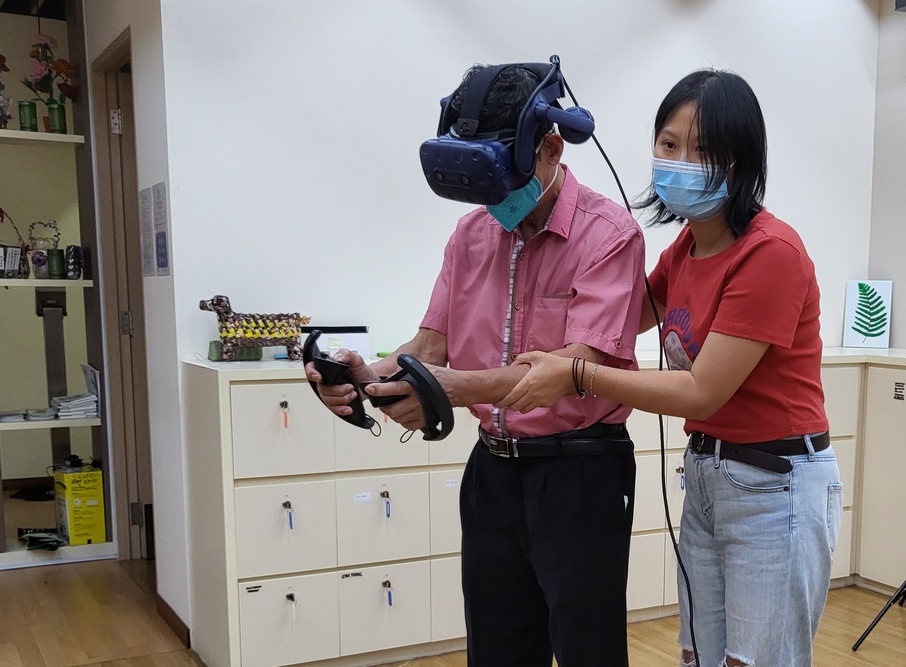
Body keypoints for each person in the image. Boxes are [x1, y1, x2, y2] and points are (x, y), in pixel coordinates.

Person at [305, 61, 646, 667]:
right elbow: (430, 345)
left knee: (588, 650)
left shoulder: (609, 235)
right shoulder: (471, 234)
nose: (495, 202)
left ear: (551, 148)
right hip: (492, 472)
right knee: (496, 649)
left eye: (504, 181)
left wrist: (452, 389)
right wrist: (367, 376)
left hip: (580, 473)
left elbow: (574, 369)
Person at [498, 69, 841, 667]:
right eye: (669, 143)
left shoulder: (771, 254)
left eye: (703, 149)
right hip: (707, 474)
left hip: (774, 485)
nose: (680, 162)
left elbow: (701, 391)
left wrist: (577, 376)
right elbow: (617, 318)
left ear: (741, 159)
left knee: (757, 660)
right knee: (699, 655)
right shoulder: (686, 247)